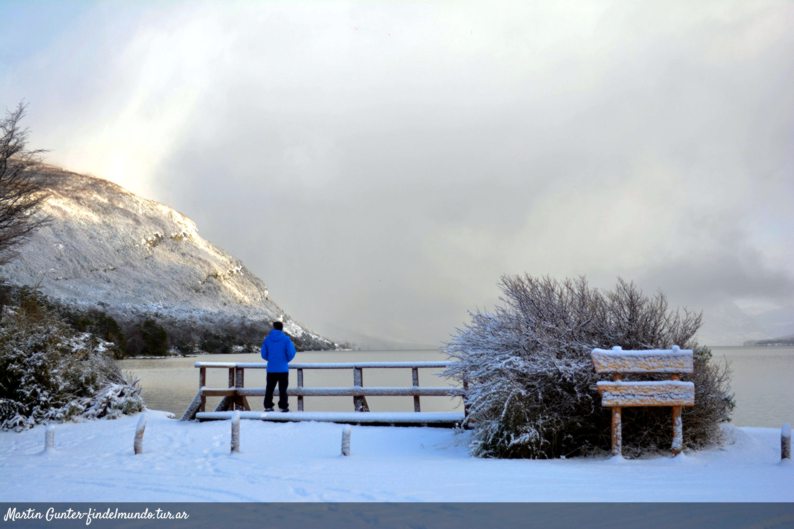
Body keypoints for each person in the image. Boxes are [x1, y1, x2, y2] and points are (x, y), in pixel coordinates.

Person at [261, 321, 296, 412]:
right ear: (281, 328)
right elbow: (291, 353)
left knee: (269, 389)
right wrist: (285, 360)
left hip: (271, 369)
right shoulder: (286, 339)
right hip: (283, 369)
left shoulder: (267, 339)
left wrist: (272, 359)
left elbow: (263, 354)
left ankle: (268, 406)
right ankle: (283, 407)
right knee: (283, 389)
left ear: (274, 327)